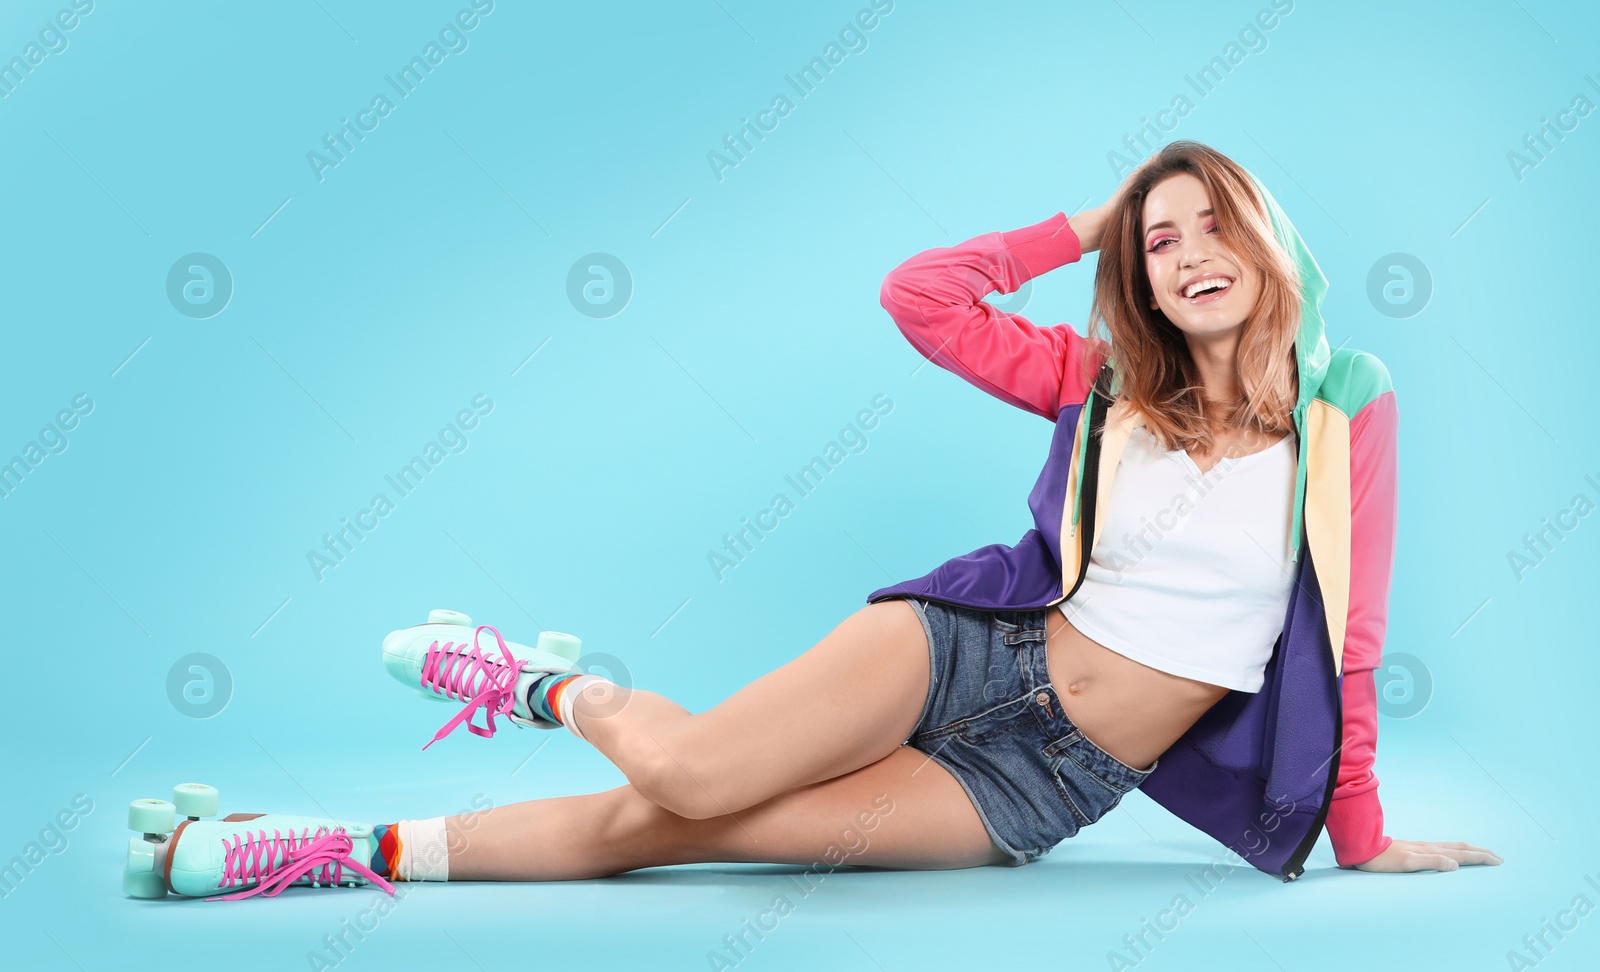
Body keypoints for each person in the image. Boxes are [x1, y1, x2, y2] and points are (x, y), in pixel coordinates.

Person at [130, 141, 1501, 900]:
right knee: (697, 774)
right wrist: (1087, 218)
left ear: (1266, 244)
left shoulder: (1344, 411)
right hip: (975, 647)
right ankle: (491, 730)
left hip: (1054, 778)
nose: (1191, 253)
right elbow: (926, 300)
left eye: (1215, 226)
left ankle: (392, 796)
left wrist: (1363, 833)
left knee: (676, 827)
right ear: (1134, 274)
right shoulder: (1103, 383)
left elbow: (1353, 635)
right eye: (1161, 238)